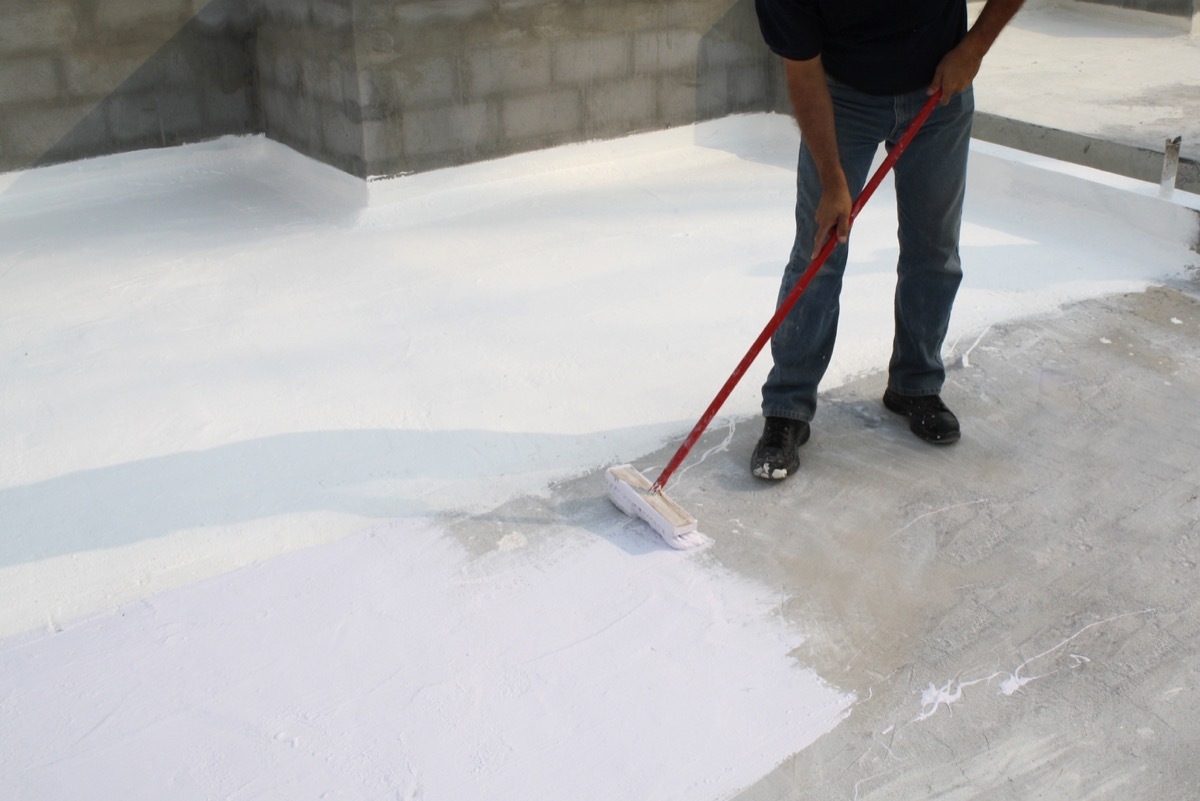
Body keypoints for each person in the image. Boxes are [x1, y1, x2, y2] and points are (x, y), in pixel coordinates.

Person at [750, 0, 1025, 480]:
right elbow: (803, 75)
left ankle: (915, 385)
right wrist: (833, 182)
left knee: (934, 249)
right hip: (842, 97)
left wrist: (974, 48)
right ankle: (787, 409)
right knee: (819, 250)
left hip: (939, 92)